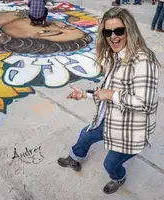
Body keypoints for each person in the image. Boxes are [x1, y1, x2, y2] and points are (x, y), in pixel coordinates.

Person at [57, 7, 160, 194]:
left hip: (130, 130)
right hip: (111, 118)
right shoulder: (116, 57)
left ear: (130, 31)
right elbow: (107, 89)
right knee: (86, 134)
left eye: (119, 31)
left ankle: (118, 177)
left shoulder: (143, 61)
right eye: (107, 32)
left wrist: (112, 95)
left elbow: (146, 103)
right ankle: (74, 157)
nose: (113, 36)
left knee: (110, 163)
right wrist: (86, 94)